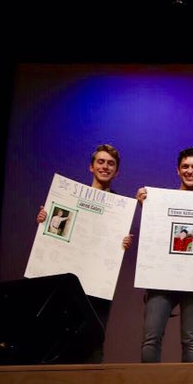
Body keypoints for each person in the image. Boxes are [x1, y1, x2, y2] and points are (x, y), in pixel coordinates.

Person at [34, 144, 132, 363]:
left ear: (116, 171)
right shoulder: (68, 199)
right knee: (60, 334)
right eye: (101, 161)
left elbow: (112, 248)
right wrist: (44, 220)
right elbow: (56, 235)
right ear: (91, 167)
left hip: (97, 284)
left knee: (95, 337)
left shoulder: (120, 209)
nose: (105, 167)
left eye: (111, 164)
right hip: (68, 281)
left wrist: (122, 243)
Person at [137, 147, 193, 363]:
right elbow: (155, 234)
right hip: (161, 279)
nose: (190, 171)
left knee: (191, 342)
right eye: (185, 167)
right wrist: (145, 205)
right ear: (178, 170)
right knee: (151, 338)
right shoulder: (160, 201)